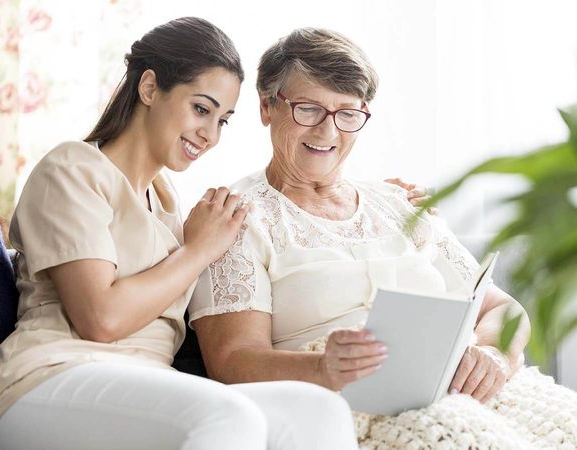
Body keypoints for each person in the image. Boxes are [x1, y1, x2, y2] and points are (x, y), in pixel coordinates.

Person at [0, 18, 364, 450]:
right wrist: (198, 250)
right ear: (148, 88)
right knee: (226, 414)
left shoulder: (166, 201)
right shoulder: (72, 169)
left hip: (148, 383)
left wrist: (386, 200)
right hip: (49, 379)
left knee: (316, 409)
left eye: (224, 120)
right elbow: (101, 319)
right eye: (202, 109)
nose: (210, 134)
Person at [188, 27, 531, 405]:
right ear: (267, 106)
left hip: (472, 397)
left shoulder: (401, 203)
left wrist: (494, 355)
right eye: (309, 108)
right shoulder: (235, 220)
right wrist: (323, 369)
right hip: (343, 405)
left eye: (347, 113)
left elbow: (502, 307)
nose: (327, 130)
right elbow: (233, 361)